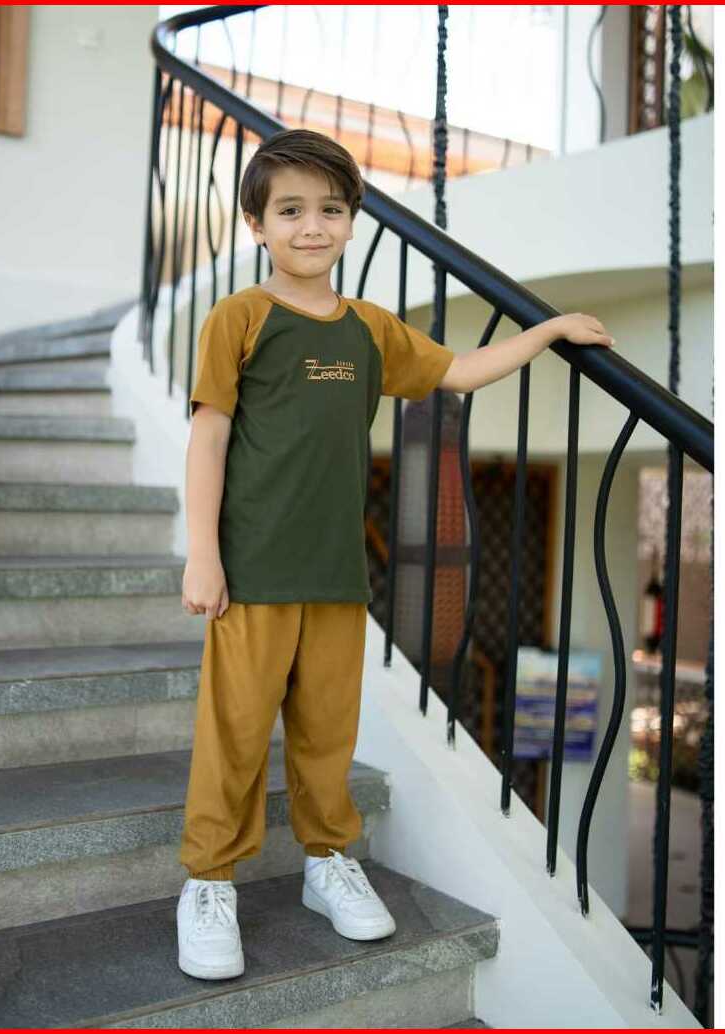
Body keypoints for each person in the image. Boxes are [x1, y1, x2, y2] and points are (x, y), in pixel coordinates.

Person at [176, 128, 613, 980]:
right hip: (251, 573)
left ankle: (327, 863)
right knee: (235, 734)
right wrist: (203, 555)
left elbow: (459, 372)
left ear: (352, 220)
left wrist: (547, 329)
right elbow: (210, 435)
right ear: (257, 226)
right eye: (290, 211)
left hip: (339, 575)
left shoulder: (372, 331)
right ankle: (208, 881)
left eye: (330, 209)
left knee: (327, 733)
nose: (312, 226)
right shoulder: (241, 318)